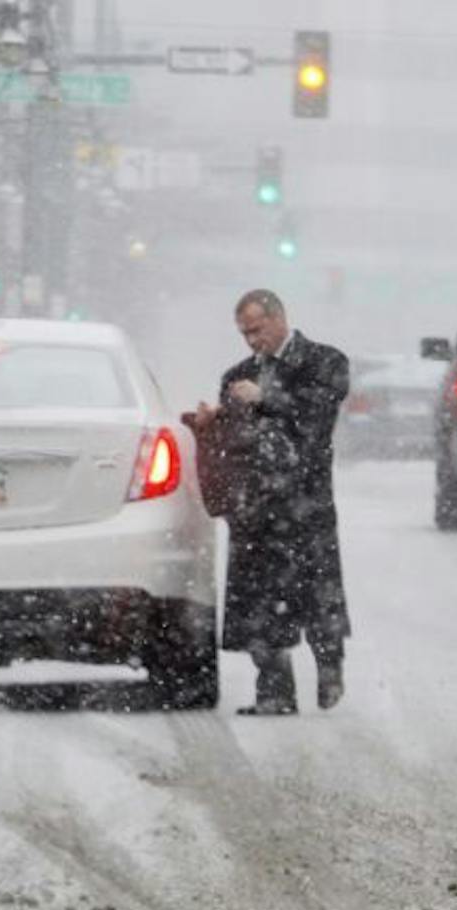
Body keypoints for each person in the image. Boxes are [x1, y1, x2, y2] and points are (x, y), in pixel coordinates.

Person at [188, 290, 352, 716]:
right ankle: (274, 691)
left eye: (257, 330)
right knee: (258, 602)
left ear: (279, 319)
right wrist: (212, 423)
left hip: (305, 504)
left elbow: (316, 421)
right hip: (255, 508)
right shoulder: (236, 375)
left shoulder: (324, 362)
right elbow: (234, 441)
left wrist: (267, 398)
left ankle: (329, 665)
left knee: (316, 595)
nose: (251, 341)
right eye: (244, 333)